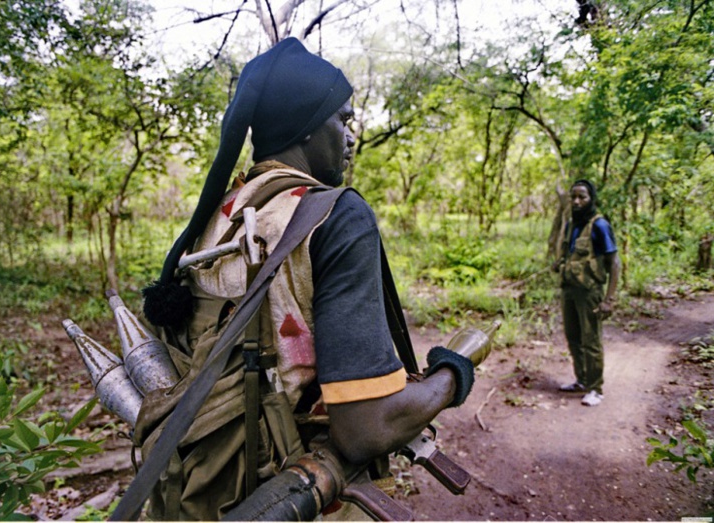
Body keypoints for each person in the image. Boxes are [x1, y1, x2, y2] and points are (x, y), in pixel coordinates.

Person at [140, 38, 475, 518]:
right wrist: (451, 375)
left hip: (200, 486)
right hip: (298, 494)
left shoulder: (220, 216)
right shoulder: (333, 215)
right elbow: (364, 428)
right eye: (343, 118)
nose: (350, 134)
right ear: (306, 127)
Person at [553, 179, 620, 407]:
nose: (577, 201)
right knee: (573, 337)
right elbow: (574, 255)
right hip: (569, 290)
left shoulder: (600, 225)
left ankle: (596, 388)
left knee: (591, 340)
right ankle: (581, 380)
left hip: (589, 292)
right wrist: (560, 264)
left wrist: (609, 300)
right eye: (573, 197)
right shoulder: (573, 224)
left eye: (582, 197)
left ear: (591, 199)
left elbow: (615, 263)